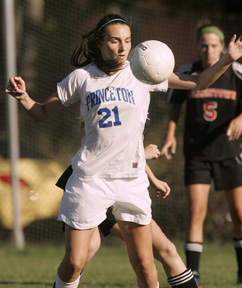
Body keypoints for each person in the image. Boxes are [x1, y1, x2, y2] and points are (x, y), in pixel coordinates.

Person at [5, 13, 242, 288]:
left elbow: (199, 82)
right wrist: (24, 98)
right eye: (115, 41)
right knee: (74, 262)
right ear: (99, 43)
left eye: (127, 41)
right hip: (89, 180)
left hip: (130, 181)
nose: (122, 47)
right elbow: (42, 113)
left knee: (145, 266)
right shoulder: (82, 77)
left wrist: (227, 58)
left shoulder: (143, 72)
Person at [161, 24, 242, 286]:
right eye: (204, 45)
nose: (209, 50)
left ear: (223, 47)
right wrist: (170, 134)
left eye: (214, 46)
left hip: (231, 152)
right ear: (198, 47)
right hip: (197, 153)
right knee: (196, 211)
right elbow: (175, 107)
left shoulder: (238, 72)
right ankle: (192, 274)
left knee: (239, 213)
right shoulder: (187, 72)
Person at [56, 142, 200, 288]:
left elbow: (129, 151)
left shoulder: (140, 119)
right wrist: (143, 154)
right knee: (79, 258)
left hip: (121, 189)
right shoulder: (109, 120)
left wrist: (152, 178)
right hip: (93, 186)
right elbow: (110, 154)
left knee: (166, 250)